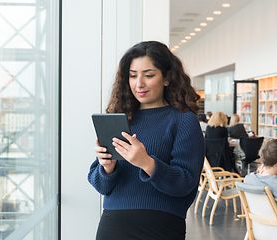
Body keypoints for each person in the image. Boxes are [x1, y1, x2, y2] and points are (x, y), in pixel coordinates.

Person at [87, 41, 205, 240]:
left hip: (160, 227)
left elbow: (186, 183)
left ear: (167, 77)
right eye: (133, 75)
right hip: (113, 225)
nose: (139, 83)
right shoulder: (121, 119)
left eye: (149, 75)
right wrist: (106, 166)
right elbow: (101, 186)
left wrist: (146, 162)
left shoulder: (184, 120)